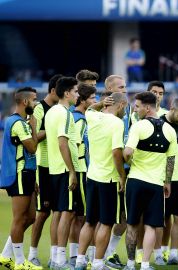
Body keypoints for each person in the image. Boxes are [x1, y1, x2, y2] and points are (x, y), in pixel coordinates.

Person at [123, 92, 177, 270]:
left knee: (132, 224)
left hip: (136, 181)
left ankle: (131, 264)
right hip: (156, 184)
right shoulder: (170, 130)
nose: (136, 110)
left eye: (137, 106)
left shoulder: (138, 127)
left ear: (147, 108)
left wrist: (128, 162)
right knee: (151, 226)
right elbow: (171, 160)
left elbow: (128, 152)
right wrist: (167, 182)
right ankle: (146, 264)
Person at [74, 93, 127, 270]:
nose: (125, 112)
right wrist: (122, 175)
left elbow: (89, 108)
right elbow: (116, 152)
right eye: (125, 108)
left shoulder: (92, 116)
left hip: (92, 176)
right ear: (120, 106)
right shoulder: (117, 123)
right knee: (106, 222)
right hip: (109, 178)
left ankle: (80, 261)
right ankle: (97, 263)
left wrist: (100, 103)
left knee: (89, 221)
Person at [0, 87, 40, 270]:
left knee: (31, 217)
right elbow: (32, 148)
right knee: (19, 218)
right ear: (25, 102)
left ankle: (5, 255)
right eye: (34, 99)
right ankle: (19, 262)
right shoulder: (17, 123)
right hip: (20, 174)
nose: (36, 102)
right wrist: (34, 128)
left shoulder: (21, 122)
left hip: (28, 174)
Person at [44, 77, 81, 270]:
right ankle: (60, 260)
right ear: (67, 93)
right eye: (75, 91)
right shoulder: (66, 114)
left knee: (58, 213)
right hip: (64, 169)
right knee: (67, 213)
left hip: (53, 169)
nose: (77, 95)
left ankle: (53, 257)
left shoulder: (51, 112)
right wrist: (72, 172)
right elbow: (62, 142)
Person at [27, 74, 61, 267]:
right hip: (44, 166)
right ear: (53, 90)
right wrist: (51, 128)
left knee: (59, 212)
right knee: (42, 213)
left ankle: (54, 256)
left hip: (59, 166)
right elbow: (33, 138)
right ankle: (32, 254)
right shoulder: (39, 109)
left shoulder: (62, 109)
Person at [158, 98, 178, 266]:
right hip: (160, 178)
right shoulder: (159, 123)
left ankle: (173, 254)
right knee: (161, 218)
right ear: (171, 109)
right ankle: (160, 253)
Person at [103, 75, 130, 269]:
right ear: (109, 89)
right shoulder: (97, 111)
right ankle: (89, 256)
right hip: (105, 170)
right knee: (100, 217)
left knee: (124, 216)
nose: (125, 89)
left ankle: (108, 253)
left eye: (125, 86)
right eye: (121, 87)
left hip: (125, 169)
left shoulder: (126, 110)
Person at [68, 84, 97, 265]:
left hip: (81, 171)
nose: (95, 101)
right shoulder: (79, 120)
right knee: (86, 216)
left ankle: (77, 255)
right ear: (84, 99)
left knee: (79, 215)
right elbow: (75, 146)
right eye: (93, 98)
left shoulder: (83, 117)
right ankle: (83, 257)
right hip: (81, 171)